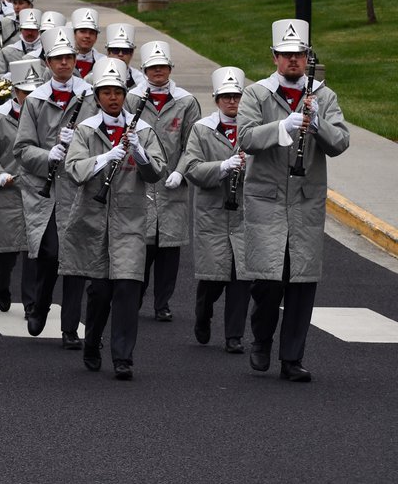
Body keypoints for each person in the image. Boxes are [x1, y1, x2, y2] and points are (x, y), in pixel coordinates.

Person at [238, 19, 350, 382]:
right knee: (268, 280)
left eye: (299, 54)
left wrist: (317, 123)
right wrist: (282, 127)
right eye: (286, 54)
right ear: (274, 57)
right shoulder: (256, 94)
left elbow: (340, 142)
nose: (293, 60)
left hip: (305, 201)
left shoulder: (324, 96)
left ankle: (292, 358)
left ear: (307, 57)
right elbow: (245, 138)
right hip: (267, 200)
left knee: (301, 282)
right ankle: (262, 339)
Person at [61, 56, 166, 380]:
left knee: (127, 290)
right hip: (93, 222)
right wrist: (106, 156)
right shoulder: (86, 130)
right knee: (100, 293)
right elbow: (73, 170)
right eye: (106, 92)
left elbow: (156, 172)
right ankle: (92, 342)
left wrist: (139, 152)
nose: (113, 98)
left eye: (118, 92)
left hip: (130, 223)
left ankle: (123, 357)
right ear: (97, 96)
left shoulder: (142, 130)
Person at [13, 27, 93, 347]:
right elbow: (22, 150)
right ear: (47, 62)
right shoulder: (35, 100)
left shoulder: (91, 96)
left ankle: (70, 327)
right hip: (44, 191)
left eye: (69, 57)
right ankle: (41, 303)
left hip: (78, 187)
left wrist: (80, 148)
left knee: (76, 258)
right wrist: (49, 155)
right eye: (57, 58)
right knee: (49, 252)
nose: (64, 63)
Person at [179, 66, 252, 354]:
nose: (232, 101)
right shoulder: (202, 129)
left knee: (241, 277)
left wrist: (248, 169)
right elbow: (192, 167)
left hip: (244, 214)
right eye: (226, 97)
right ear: (216, 99)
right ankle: (203, 312)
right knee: (213, 278)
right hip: (212, 213)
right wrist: (223, 167)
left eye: (236, 96)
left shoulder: (253, 129)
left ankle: (234, 336)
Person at [127, 41, 200, 322]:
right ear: (144, 70)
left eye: (163, 66)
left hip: (172, 184)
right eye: (153, 67)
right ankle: (135, 297)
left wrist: (180, 171)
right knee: (141, 246)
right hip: (140, 182)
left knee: (169, 248)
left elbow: (192, 144)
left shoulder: (186, 102)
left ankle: (162, 303)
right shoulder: (131, 99)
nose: (158, 71)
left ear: (170, 68)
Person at [0, 58, 42, 314]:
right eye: (25, 92)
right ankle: (2, 287)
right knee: (4, 253)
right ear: (15, 91)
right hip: (8, 190)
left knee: (35, 251)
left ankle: (31, 303)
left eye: (35, 92)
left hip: (38, 191)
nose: (31, 97)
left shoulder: (47, 117)